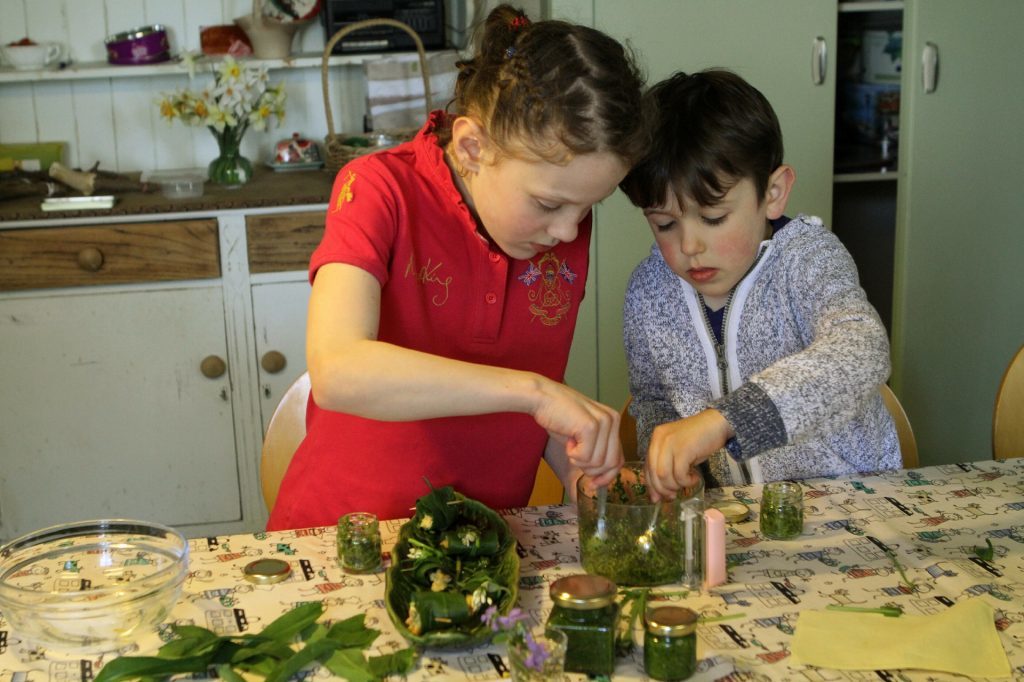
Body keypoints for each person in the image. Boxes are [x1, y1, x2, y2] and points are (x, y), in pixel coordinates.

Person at [267, 5, 648, 529]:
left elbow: (522, 410)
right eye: (548, 204)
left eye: (588, 208)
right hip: (345, 536)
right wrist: (535, 393)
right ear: (472, 147)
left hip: (484, 543)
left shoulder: (557, 227)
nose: (567, 231)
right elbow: (337, 369)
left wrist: (579, 465)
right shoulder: (378, 189)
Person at [618, 68, 900, 501]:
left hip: (855, 504)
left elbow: (863, 350)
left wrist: (724, 420)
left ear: (772, 193)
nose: (690, 245)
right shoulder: (647, 292)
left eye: (713, 218)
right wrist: (673, 466)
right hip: (737, 521)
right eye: (665, 223)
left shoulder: (806, 259)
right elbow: (654, 401)